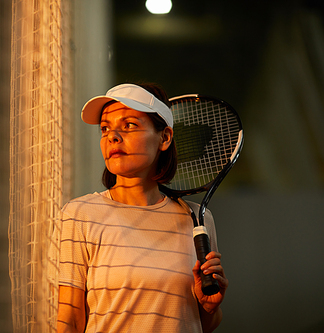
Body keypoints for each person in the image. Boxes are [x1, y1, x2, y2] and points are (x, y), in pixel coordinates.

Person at [56, 83, 228, 332]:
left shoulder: (197, 219)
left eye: (129, 125)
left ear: (165, 138)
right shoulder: (79, 215)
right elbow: (69, 319)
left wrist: (210, 307)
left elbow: (203, 323)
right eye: (105, 128)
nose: (112, 136)